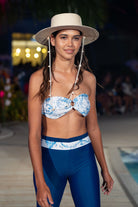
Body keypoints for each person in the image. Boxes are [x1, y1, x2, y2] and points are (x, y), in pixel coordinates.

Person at [28, 13, 114, 207]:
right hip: (51, 161)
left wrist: (105, 169)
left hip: (84, 158)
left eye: (76, 38)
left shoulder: (88, 79)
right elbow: (34, 134)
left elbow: (93, 128)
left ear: (81, 41)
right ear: (52, 40)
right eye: (64, 37)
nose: (70, 44)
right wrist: (40, 182)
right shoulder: (38, 79)